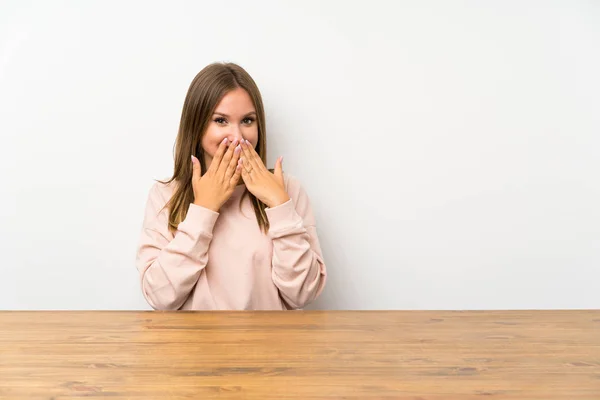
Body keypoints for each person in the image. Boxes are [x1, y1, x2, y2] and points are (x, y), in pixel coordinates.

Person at [135, 62, 327, 310]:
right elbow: (160, 298)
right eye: (221, 121)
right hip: (193, 347)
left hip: (272, 346)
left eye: (247, 120)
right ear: (197, 125)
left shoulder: (287, 189)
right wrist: (203, 209)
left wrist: (280, 206)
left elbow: (304, 293)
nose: (238, 136)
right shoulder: (165, 195)